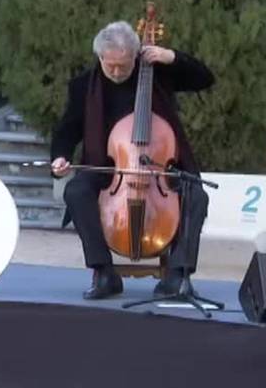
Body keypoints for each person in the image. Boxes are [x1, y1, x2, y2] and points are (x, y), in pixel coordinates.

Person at [49, 20, 215, 300]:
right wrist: (60, 158)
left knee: (196, 195)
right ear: (100, 57)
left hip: (158, 168)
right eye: (109, 65)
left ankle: (178, 276)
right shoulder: (83, 87)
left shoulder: (158, 75)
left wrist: (172, 57)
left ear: (135, 56)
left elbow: (205, 78)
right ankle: (104, 272)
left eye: (123, 66)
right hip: (108, 169)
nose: (115, 72)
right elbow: (67, 130)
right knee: (76, 191)